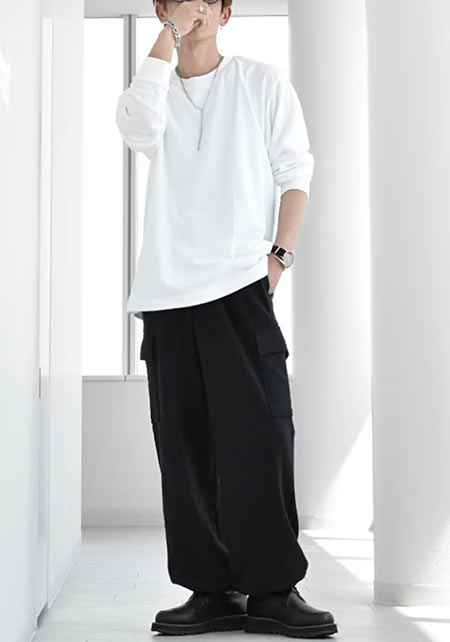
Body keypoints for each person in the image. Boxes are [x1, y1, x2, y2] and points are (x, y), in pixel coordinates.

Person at [115, 0, 338, 637]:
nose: (199, 9)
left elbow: (295, 171)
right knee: (184, 445)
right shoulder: (155, 90)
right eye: (183, 0)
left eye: (210, 0)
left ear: (226, 12)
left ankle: (273, 589)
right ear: (163, 9)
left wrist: (279, 258)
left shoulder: (260, 82)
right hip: (167, 295)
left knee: (262, 436)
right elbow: (134, 126)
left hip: (241, 286)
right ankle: (210, 590)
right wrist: (168, 36)